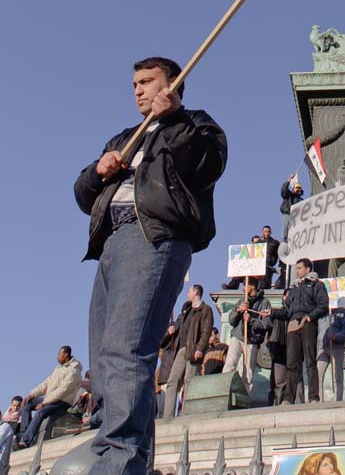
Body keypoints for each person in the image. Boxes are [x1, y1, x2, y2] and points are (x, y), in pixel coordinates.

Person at [74, 56, 227, 475]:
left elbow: (207, 164)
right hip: (111, 243)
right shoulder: (125, 137)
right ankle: (121, 452)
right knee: (105, 355)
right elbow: (85, 195)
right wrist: (95, 172)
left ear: (171, 84)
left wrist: (175, 119)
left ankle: (119, 458)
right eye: (134, 84)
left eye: (147, 82)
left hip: (154, 237)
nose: (138, 89)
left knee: (127, 350)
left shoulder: (196, 124)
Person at [264, 257, 329, 404]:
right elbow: (287, 311)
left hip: (307, 323)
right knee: (292, 363)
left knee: (310, 361)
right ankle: (288, 398)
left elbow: (323, 304)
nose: (297, 270)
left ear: (308, 269)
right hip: (292, 325)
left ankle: (313, 397)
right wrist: (272, 312)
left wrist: (310, 317)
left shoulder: (316, 285)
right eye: (297, 268)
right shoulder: (293, 289)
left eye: (300, 268)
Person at [163, 283, 214, 417]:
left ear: (196, 293)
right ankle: (167, 415)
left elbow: (206, 330)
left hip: (193, 350)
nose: (187, 294)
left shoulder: (205, 310)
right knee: (172, 381)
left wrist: (200, 348)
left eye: (189, 291)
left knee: (188, 381)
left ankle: (185, 413)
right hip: (182, 349)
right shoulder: (187, 310)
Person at [17, 346, 82, 448]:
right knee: (27, 404)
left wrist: (44, 403)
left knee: (40, 412)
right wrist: (32, 394)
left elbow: (62, 391)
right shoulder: (58, 368)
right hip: (50, 398)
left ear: (66, 355)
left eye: (59, 354)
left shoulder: (73, 371)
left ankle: (25, 441)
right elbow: (46, 384)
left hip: (62, 401)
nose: (57, 357)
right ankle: (24, 434)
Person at [222, 278, 271, 392]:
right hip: (238, 337)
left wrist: (252, 321)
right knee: (229, 364)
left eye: (245, 285)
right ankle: (224, 391)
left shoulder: (264, 302)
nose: (243, 288)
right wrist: (238, 310)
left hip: (252, 341)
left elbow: (266, 324)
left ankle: (246, 396)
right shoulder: (241, 301)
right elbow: (231, 321)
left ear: (252, 286)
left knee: (248, 372)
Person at [317, 298, 345, 401]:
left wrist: (336, 336)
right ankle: (318, 401)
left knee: (337, 376)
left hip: (336, 346)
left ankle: (337, 400)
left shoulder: (342, 312)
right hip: (322, 347)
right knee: (318, 375)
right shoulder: (321, 313)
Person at [260, 225, 281, 289]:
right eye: (265, 231)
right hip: (259, 265)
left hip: (269, 266)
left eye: (268, 232)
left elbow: (278, 254)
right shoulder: (258, 243)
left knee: (266, 282)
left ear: (270, 232)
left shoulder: (275, 243)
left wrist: (273, 261)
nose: (266, 233)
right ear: (262, 232)